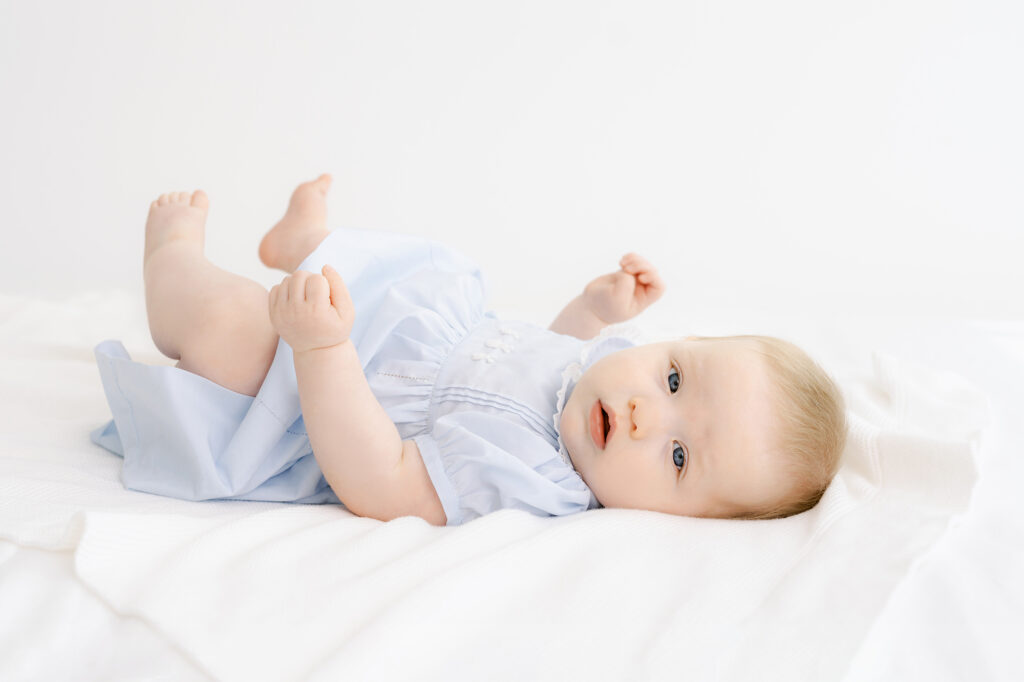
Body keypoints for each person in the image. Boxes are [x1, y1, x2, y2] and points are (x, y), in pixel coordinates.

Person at [91, 175, 847, 527]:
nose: (649, 413)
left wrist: (320, 349)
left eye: (680, 459)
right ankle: (311, 246)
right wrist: (593, 309)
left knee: (227, 324)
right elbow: (554, 352)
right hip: (397, 320)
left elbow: (381, 483)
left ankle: (173, 263)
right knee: (428, 265)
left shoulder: (536, 483)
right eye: (676, 376)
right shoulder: (601, 374)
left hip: (313, 394)